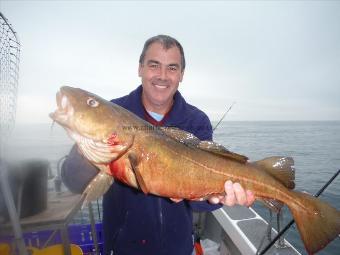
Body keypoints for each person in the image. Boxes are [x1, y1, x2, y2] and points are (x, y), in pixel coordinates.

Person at [61, 35, 255, 255]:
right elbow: (73, 182)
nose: (162, 76)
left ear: (181, 74)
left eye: (172, 68)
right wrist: (86, 153)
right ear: (140, 68)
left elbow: (200, 204)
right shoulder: (116, 111)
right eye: (154, 65)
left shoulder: (196, 120)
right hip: (124, 249)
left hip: (180, 249)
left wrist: (215, 197)